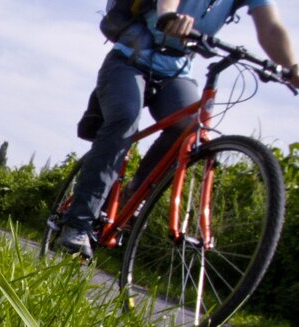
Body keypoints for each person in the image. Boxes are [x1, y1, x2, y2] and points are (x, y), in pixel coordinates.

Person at [57, 0, 299, 259]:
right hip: (129, 59)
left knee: (190, 129)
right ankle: (77, 222)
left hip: (176, 70)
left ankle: (134, 193)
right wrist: (169, 15)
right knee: (125, 119)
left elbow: (271, 27)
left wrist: (293, 67)